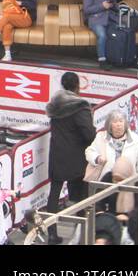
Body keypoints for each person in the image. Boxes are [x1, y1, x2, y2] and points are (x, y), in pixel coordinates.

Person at [45, 72, 96, 244]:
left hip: (58, 154)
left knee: (54, 194)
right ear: (77, 86)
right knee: (82, 195)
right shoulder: (80, 106)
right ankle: (79, 233)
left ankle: (52, 233)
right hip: (77, 158)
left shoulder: (55, 105)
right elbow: (89, 134)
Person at [86, 109, 138, 244]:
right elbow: (89, 151)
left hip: (129, 180)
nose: (118, 125)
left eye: (121, 121)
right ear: (109, 125)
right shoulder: (101, 138)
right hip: (107, 181)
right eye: (115, 122)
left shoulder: (135, 140)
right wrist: (97, 158)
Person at [82, 0, 118, 67]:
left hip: (109, 19)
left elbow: (115, 6)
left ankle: (115, 56)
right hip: (95, 20)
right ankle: (102, 60)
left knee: (117, 33)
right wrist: (102, 6)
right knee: (102, 35)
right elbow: (86, 10)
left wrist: (113, 4)